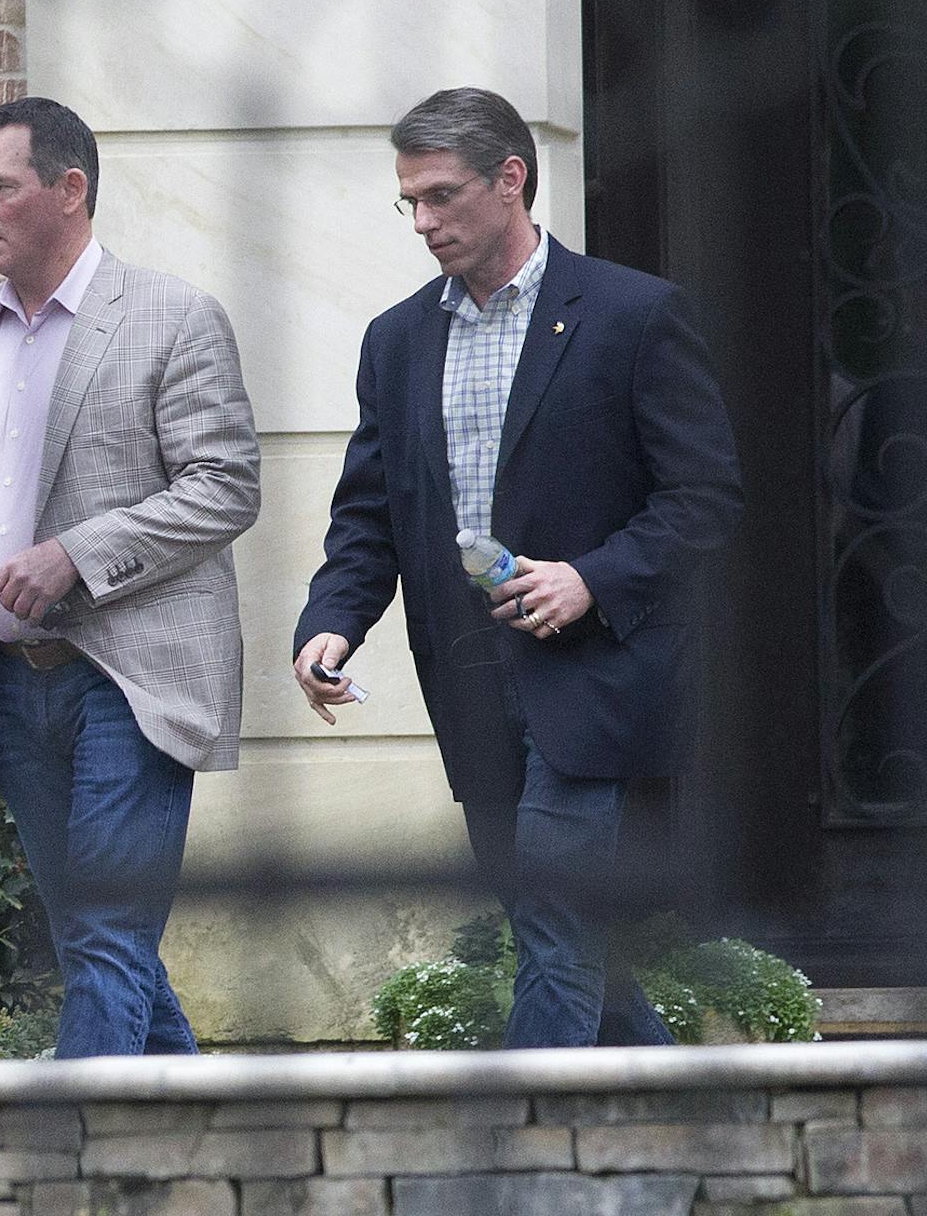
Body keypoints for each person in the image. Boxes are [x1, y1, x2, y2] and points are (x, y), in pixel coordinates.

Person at [292, 86, 743, 1048]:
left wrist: (592, 577)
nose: (422, 222)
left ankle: (528, 1151)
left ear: (511, 180)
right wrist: (331, 621)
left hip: (591, 670)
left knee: (553, 912)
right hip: (463, 669)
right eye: (407, 200)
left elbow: (704, 499)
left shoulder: (634, 315)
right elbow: (370, 512)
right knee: (558, 932)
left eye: (441, 196)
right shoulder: (397, 338)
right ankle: (691, 1121)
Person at [0, 97, 260, 1058]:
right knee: (99, 938)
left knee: (103, 934)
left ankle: (77, 1163)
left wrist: (75, 555)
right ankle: (198, 1154)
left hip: (130, 678)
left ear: (69, 189)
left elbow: (226, 487)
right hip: (9, 684)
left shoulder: (174, 317)